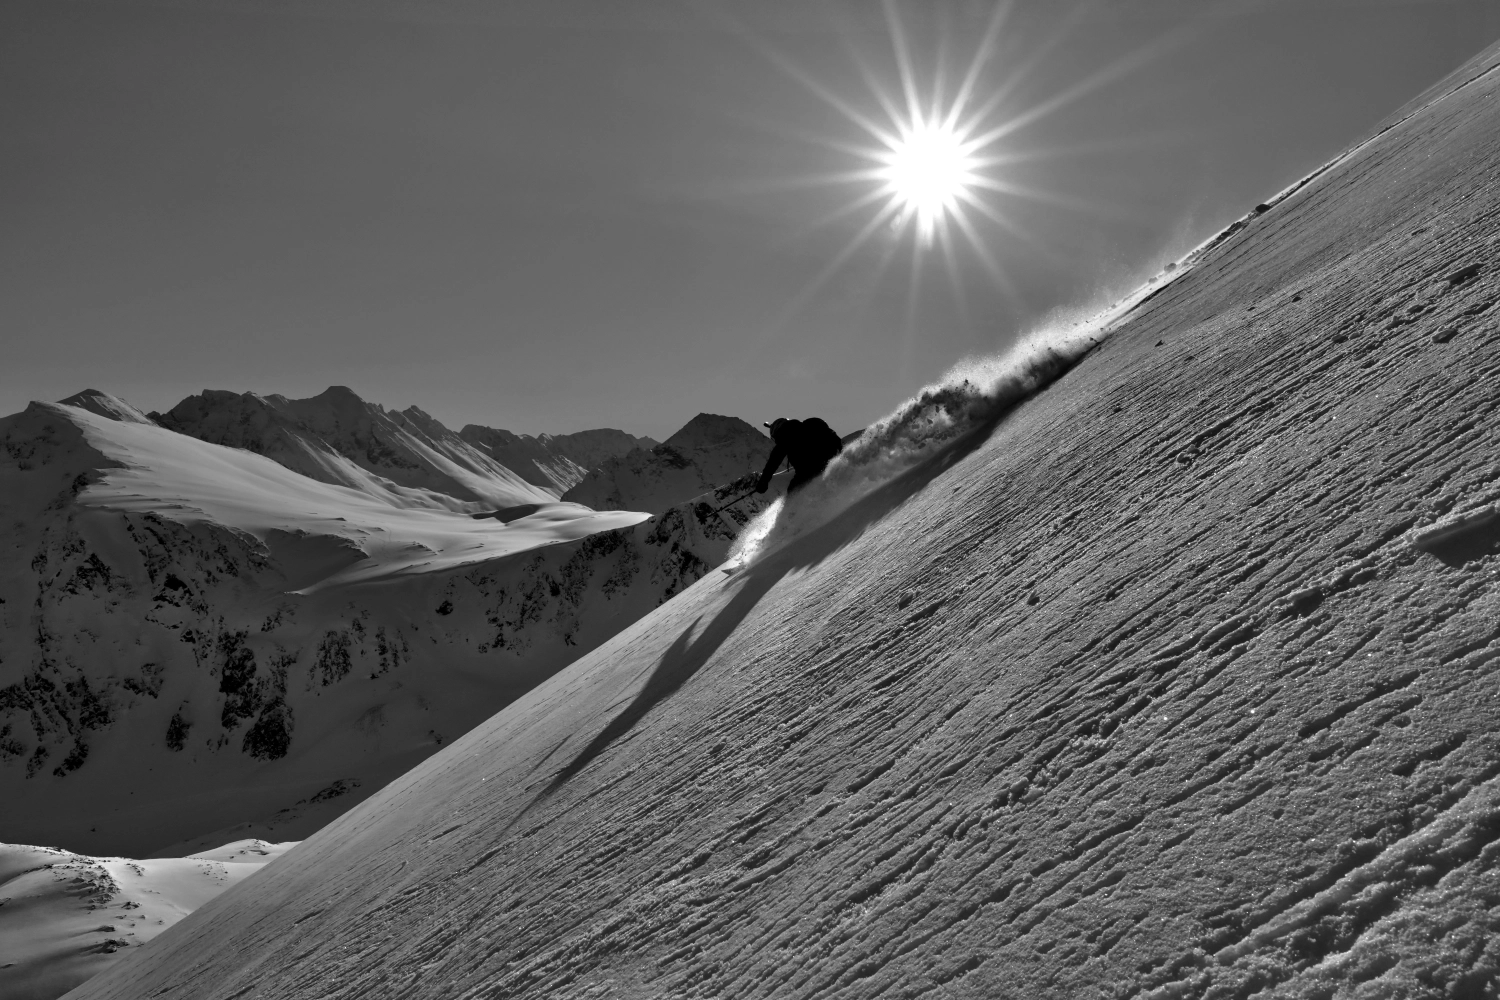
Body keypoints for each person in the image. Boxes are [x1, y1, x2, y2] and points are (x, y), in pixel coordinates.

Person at [755, 417, 843, 495]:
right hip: (832, 458)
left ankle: (795, 511)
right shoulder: (806, 426)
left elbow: (773, 462)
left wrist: (763, 482)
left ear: (777, 431)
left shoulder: (786, 436)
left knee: (793, 490)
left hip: (811, 467)